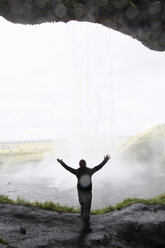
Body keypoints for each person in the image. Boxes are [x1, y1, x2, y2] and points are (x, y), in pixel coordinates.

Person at [57, 154, 111, 232]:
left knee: (83, 208)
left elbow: (67, 168)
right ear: (85, 164)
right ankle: (85, 227)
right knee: (87, 210)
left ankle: (85, 223)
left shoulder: (77, 171)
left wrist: (61, 162)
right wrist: (106, 160)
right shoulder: (90, 171)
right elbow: (99, 166)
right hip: (88, 193)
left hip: (80, 193)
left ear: (79, 165)